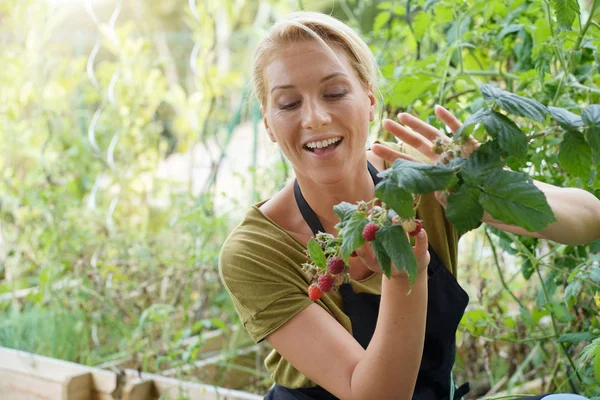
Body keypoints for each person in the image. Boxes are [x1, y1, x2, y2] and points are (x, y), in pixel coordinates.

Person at [218, 11, 600, 400]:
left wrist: (487, 189)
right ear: (267, 123)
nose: (315, 117)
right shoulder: (256, 249)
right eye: (288, 103)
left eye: (334, 93)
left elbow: (589, 218)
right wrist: (404, 274)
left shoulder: (424, 177)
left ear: (369, 102)